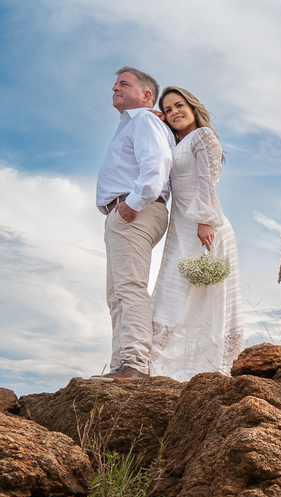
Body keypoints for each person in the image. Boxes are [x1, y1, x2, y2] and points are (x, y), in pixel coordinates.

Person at [148, 86, 244, 380]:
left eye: (179, 106)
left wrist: (205, 220)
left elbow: (207, 179)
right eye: (167, 110)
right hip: (181, 227)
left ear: (193, 108)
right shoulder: (177, 142)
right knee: (171, 292)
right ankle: (158, 366)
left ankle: (214, 368)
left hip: (206, 226)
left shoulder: (203, 136)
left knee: (203, 297)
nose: (174, 112)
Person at [95, 67, 173, 380]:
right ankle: (122, 364)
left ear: (146, 95)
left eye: (123, 84)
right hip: (125, 212)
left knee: (129, 288)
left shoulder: (143, 119)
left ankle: (136, 364)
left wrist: (133, 203)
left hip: (135, 210)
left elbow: (156, 166)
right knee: (116, 294)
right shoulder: (137, 122)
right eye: (114, 83)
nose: (115, 88)